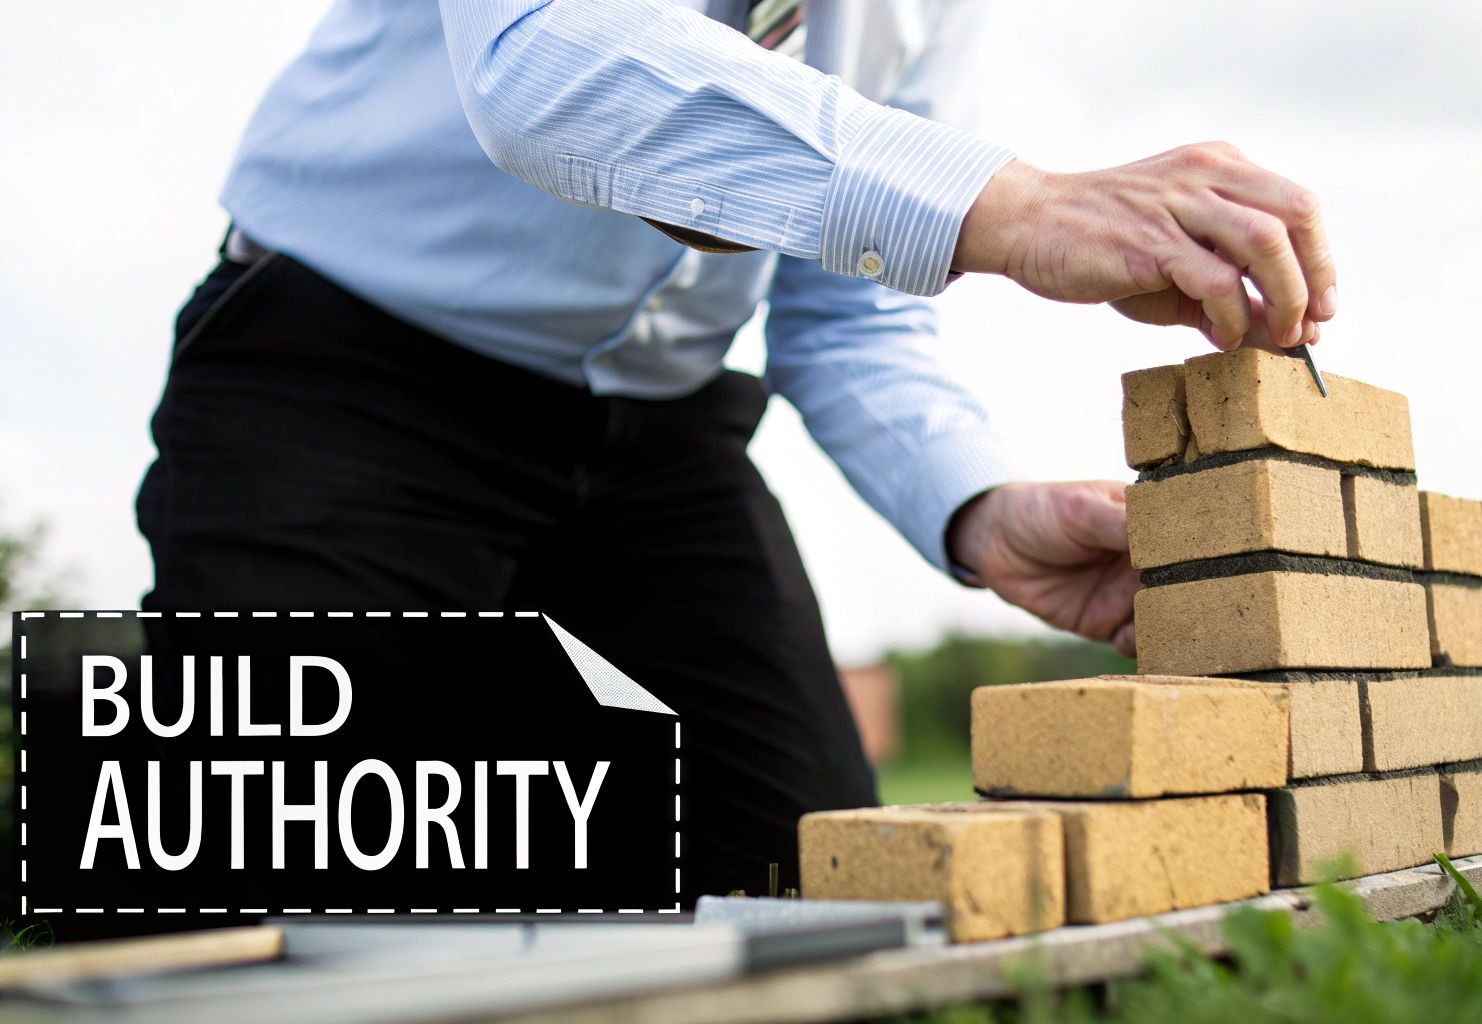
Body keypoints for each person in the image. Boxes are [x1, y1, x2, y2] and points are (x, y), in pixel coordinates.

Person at [138, 0, 1337, 898]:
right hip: (346, 377)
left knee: (806, 889)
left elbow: (850, 302)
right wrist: (1008, 205)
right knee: (237, 902)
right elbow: (548, 61)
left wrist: (976, 508)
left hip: (659, 441)